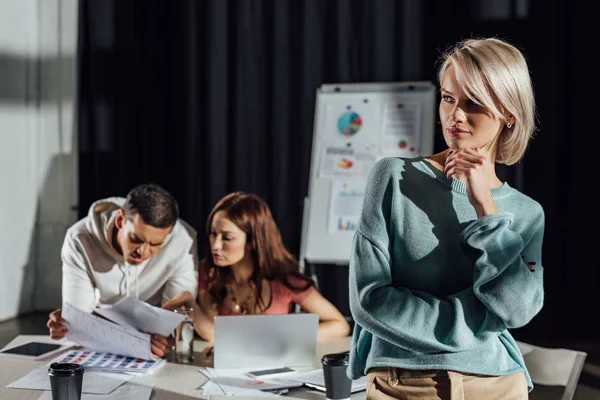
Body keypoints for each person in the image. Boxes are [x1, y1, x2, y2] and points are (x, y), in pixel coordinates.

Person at [348, 37, 544, 399]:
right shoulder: (392, 177)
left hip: (497, 384)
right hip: (401, 381)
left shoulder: (526, 212)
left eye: (473, 103)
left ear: (509, 113)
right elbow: (370, 300)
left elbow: (517, 309)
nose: (455, 115)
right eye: (449, 97)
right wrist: (475, 325)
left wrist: (486, 207)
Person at [163, 192, 350, 342]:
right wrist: (188, 300)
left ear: (252, 241)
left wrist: (285, 339)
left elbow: (340, 325)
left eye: (227, 237)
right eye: (213, 234)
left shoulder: (284, 279)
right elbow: (213, 334)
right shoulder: (210, 272)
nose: (215, 245)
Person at [46, 183, 199, 358]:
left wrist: (167, 339)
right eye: (136, 239)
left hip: (152, 336)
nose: (143, 251)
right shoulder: (79, 239)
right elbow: (79, 321)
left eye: (155, 244)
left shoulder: (183, 241)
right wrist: (65, 325)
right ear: (120, 220)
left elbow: (175, 316)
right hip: (102, 333)